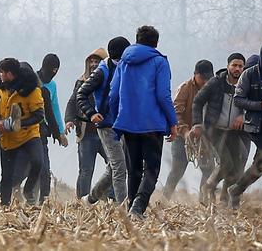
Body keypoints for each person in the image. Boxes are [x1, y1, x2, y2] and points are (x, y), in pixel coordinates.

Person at [109, 25, 178, 219]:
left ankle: (132, 208)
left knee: (134, 170)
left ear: (137, 40)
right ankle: (138, 207)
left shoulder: (123, 63)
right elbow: (163, 95)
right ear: (156, 43)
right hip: (152, 124)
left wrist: (117, 119)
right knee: (152, 169)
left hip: (128, 123)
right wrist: (172, 122)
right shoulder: (159, 62)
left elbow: (113, 95)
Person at [77, 36, 131, 205]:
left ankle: (90, 199)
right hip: (106, 125)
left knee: (113, 168)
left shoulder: (125, 67)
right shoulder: (102, 71)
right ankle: (123, 209)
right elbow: (81, 94)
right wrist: (92, 113)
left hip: (122, 124)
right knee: (120, 168)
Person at [190, 53, 249, 206]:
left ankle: (224, 198)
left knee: (237, 167)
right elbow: (197, 102)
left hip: (234, 132)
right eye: (234, 65)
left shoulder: (246, 84)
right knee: (227, 164)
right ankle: (208, 186)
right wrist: (197, 124)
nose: (237, 69)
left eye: (240, 66)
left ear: (244, 68)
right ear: (228, 66)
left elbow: (252, 105)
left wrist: (243, 115)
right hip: (214, 130)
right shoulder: (215, 82)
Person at [0, 58, 45, 206]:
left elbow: (39, 115)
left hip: (29, 135)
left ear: (10, 74)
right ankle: (5, 205)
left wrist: (19, 124)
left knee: (38, 162)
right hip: (8, 138)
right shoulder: (2, 89)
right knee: (7, 175)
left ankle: (28, 190)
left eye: (2, 72)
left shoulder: (32, 91)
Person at [227, 42, 262, 207]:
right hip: (256, 126)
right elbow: (238, 99)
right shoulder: (249, 74)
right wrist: (261, 105)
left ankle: (236, 190)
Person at [162, 59, 215, 201]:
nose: (205, 82)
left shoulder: (213, 88)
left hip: (204, 138)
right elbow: (176, 113)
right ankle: (164, 200)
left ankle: (204, 201)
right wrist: (185, 132)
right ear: (195, 75)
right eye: (202, 78)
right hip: (182, 137)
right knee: (177, 170)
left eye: (208, 78)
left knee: (209, 169)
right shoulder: (185, 88)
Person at [65, 47, 108, 198]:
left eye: (97, 61)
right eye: (92, 62)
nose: (94, 65)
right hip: (86, 134)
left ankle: (111, 197)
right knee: (86, 170)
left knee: (114, 166)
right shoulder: (81, 81)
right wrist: (69, 121)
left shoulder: (110, 80)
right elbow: (72, 102)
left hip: (106, 132)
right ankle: (82, 199)